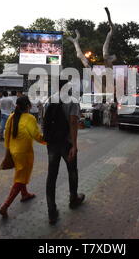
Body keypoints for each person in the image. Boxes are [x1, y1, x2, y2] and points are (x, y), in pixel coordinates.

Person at [43, 81, 85, 225]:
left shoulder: (51, 98)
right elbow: (73, 121)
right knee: (72, 170)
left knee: (51, 175)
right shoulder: (72, 100)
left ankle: (51, 212)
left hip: (52, 144)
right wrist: (74, 144)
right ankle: (73, 199)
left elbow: (45, 120)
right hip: (66, 143)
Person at [0, 96, 46, 218]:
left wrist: (8, 150)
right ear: (29, 106)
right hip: (24, 153)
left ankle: (24, 194)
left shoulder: (11, 117)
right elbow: (36, 135)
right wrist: (48, 140)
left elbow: (6, 134)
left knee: (21, 173)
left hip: (13, 151)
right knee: (20, 178)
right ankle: (5, 205)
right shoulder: (30, 118)